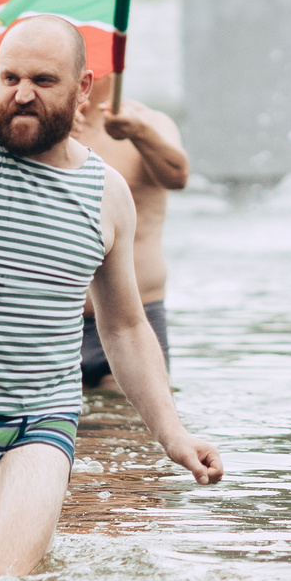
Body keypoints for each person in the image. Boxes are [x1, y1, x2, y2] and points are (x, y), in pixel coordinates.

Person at [0, 0, 222, 576]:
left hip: (35, 424)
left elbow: (124, 328)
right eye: (10, 78)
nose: (20, 94)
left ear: (82, 88)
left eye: (42, 81)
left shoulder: (107, 194)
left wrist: (173, 434)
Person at [76, 78, 188, 390]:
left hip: (136, 316)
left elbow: (177, 176)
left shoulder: (149, 122)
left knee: (132, 434)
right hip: (53, 320)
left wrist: (138, 133)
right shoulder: (41, 130)